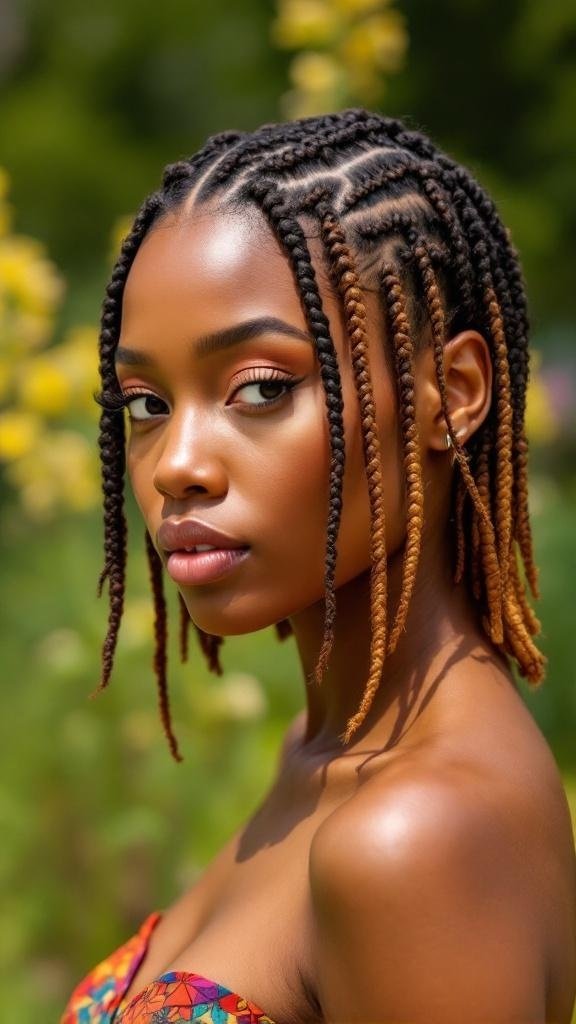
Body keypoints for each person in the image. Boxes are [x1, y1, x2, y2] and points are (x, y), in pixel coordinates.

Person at [61, 107, 576, 1023]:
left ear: (449, 395)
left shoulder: (419, 836)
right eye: (144, 402)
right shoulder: (322, 747)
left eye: (259, 388)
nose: (177, 463)